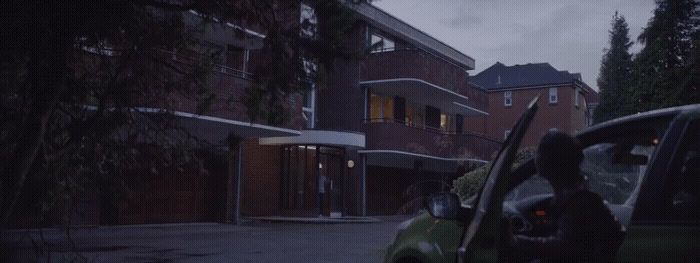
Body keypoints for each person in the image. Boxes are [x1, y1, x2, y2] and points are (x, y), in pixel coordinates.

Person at [502, 130, 626, 262]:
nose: (535, 157)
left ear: (550, 162)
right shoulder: (580, 196)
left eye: (540, 151)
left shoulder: (580, 203)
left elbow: (564, 247)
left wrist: (515, 241)